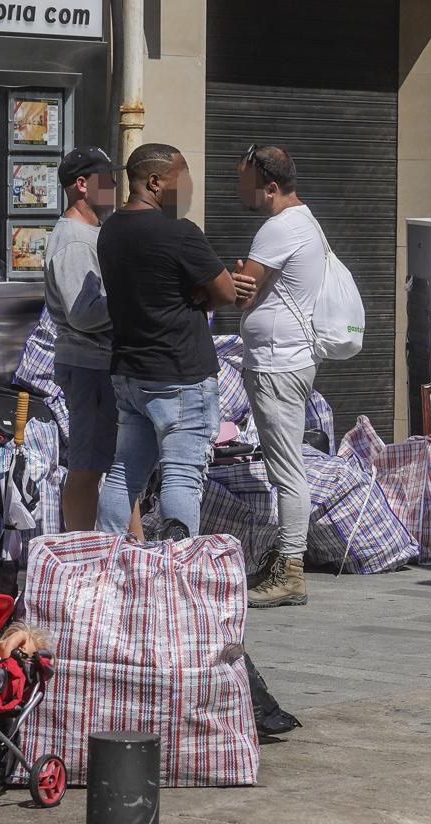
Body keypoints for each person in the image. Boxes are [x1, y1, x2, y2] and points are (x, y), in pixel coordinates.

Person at [94, 143, 236, 538]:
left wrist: (199, 289)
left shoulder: (110, 231)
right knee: (181, 477)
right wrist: (204, 290)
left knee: (124, 472)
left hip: (130, 375)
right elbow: (225, 292)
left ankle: (105, 562)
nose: (187, 190)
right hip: (180, 376)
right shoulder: (180, 234)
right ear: (155, 181)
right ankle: (176, 572)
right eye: (182, 180)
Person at [230, 145, 324, 608]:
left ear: (270, 185)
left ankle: (290, 570)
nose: (239, 190)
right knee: (286, 465)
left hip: (276, 362)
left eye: (245, 181)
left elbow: (241, 295)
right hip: (292, 357)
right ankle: (286, 561)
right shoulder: (305, 220)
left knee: (287, 469)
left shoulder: (277, 228)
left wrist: (229, 282)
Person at [43, 146, 140, 535]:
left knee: (120, 463)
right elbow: (83, 313)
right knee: (87, 465)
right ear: (82, 185)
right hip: (89, 366)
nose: (115, 185)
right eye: (107, 178)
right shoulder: (75, 240)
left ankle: (134, 545)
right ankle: (80, 551)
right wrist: (132, 302)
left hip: (100, 364)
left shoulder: (91, 233)